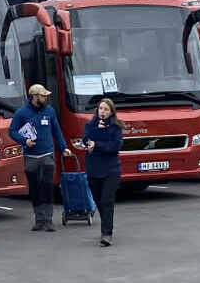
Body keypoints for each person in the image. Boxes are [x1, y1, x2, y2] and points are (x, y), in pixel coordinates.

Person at [8, 83, 71, 231]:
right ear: (34, 97)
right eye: (43, 96)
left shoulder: (50, 111)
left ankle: (48, 219)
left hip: (47, 154)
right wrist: (25, 141)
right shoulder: (22, 113)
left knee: (47, 185)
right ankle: (39, 218)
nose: (46, 98)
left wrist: (64, 148)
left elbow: (56, 130)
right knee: (35, 188)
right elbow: (12, 131)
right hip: (31, 156)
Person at [83, 98, 123, 247]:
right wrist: (89, 142)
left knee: (107, 200)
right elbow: (85, 138)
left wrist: (97, 143)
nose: (103, 112)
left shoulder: (116, 127)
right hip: (94, 169)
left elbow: (115, 145)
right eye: (101, 109)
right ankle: (106, 222)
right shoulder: (90, 125)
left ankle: (107, 233)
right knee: (99, 200)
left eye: (106, 109)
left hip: (111, 169)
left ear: (111, 112)